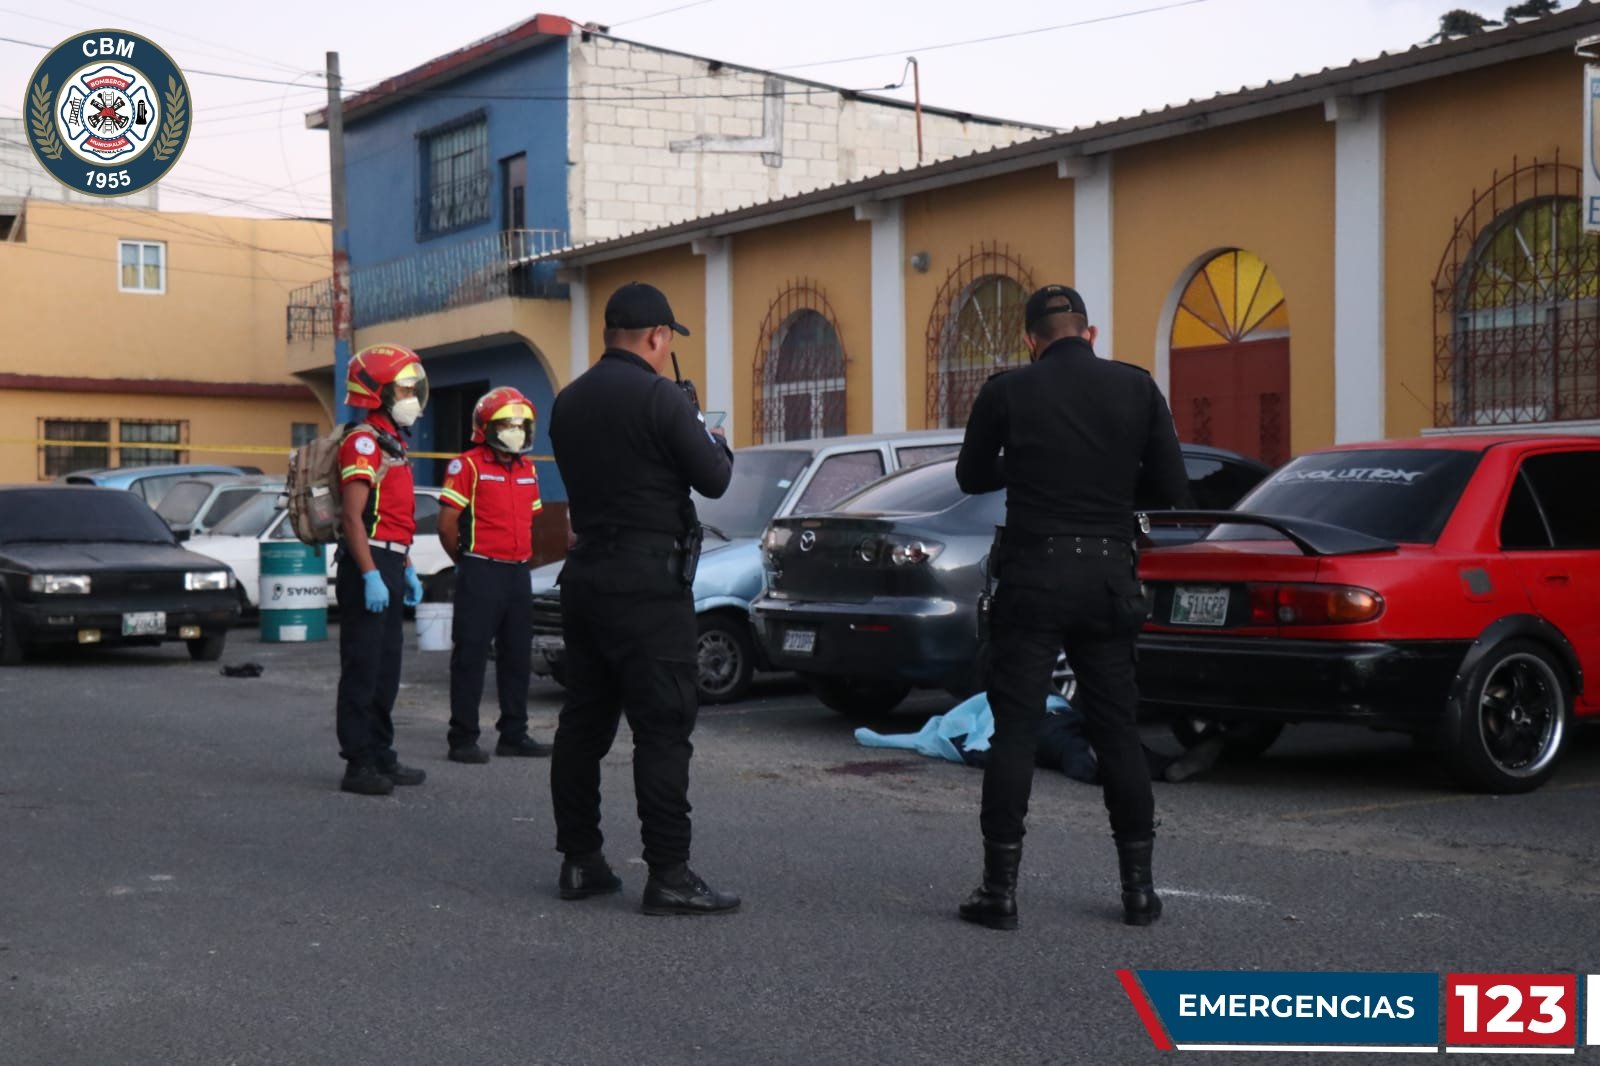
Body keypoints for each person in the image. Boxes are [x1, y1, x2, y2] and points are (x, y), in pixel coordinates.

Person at [953, 284, 1190, 930]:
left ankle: (998, 892)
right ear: (1090, 333)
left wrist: (1029, 467)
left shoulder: (1007, 391)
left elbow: (970, 477)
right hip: (1109, 574)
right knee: (1116, 729)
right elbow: (1172, 487)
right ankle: (1138, 891)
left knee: (1016, 732)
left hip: (1032, 574)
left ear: (1031, 339)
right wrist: (1109, 480)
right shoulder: (1136, 387)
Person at [547, 281, 738, 916]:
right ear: (658, 338)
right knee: (662, 729)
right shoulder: (661, 397)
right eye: (666, 341)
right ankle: (670, 874)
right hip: (648, 587)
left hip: (586, 576)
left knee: (583, 725)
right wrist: (704, 426)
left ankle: (581, 861)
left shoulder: (567, 402)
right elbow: (713, 478)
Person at [334, 344, 431, 797]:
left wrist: (405, 566)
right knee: (363, 665)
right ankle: (358, 762)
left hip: (390, 559)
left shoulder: (394, 442)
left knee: (387, 666)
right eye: (403, 387)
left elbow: (392, 516)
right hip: (366, 563)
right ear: (376, 391)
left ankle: (381, 753)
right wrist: (371, 572)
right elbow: (355, 518)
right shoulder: (364, 441)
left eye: (413, 388)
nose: (412, 396)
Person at [438, 385, 551, 764]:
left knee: (517, 655)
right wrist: (468, 561)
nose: (517, 431)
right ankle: (463, 737)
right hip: (481, 570)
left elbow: (531, 519)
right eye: (508, 424)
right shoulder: (468, 465)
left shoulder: (528, 468)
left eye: (522, 424)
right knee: (470, 655)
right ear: (487, 428)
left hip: (519, 573)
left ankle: (514, 734)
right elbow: (447, 524)